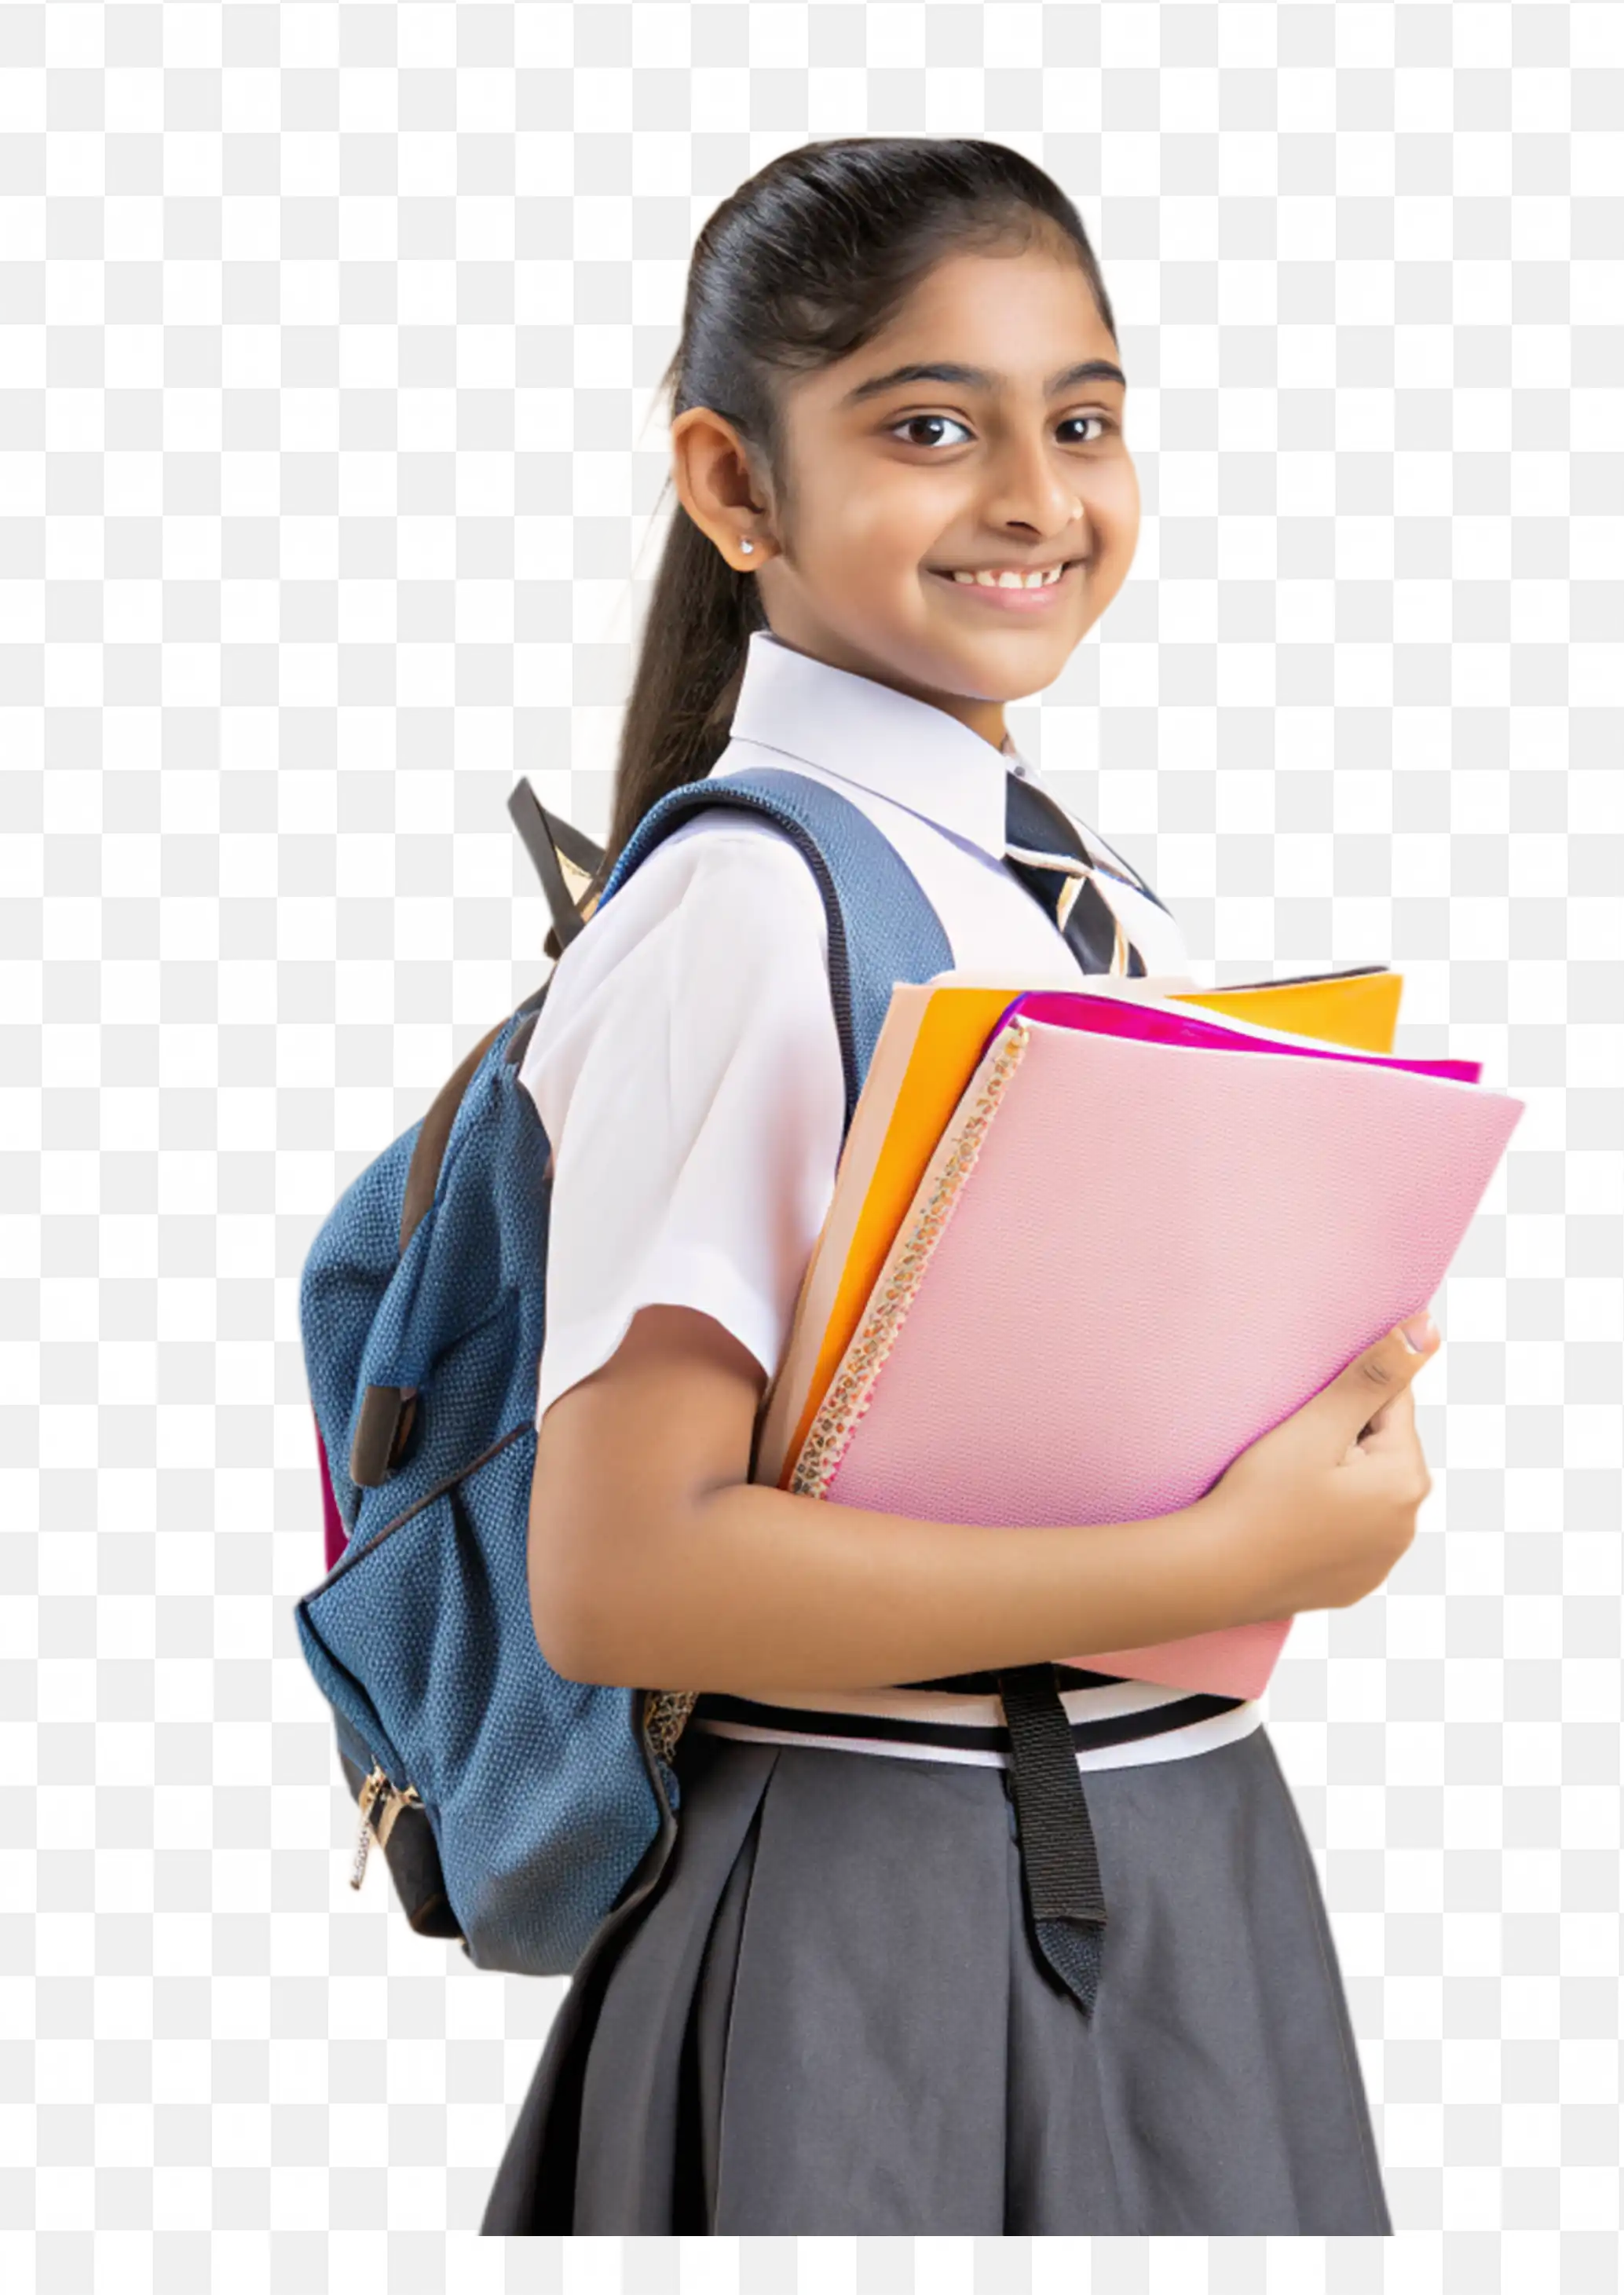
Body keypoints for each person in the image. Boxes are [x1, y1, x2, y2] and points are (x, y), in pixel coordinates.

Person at [477, 134, 1436, 2238]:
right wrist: (1220, 1554)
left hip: (1164, 1864)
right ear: (735, 487)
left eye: (1081, 420)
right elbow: (618, 1577)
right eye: (931, 427)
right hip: (878, 1910)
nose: (1034, 499)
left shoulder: (1074, 897)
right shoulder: (742, 913)